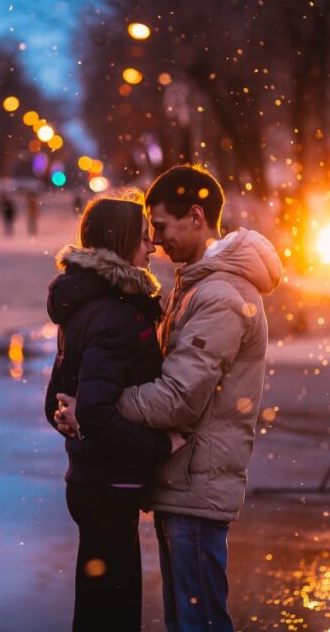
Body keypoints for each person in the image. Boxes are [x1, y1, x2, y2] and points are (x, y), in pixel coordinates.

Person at [62, 164, 282, 631]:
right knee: (187, 617)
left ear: (196, 216)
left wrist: (96, 409)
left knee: (197, 621)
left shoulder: (219, 293)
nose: (156, 241)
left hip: (197, 482)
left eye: (160, 227)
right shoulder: (196, 283)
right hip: (184, 479)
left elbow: (178, 397)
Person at [45, 195, 185, 632]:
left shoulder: (87, 304)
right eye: (144, 238)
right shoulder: (113, 313)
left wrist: (72, 417)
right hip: (107, 483)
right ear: (122, 242)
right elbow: (99, 413)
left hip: (94, 481)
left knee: (99, 603)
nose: (152, 247)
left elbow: (58, 399)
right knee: (114, 610)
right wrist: (162, 445)